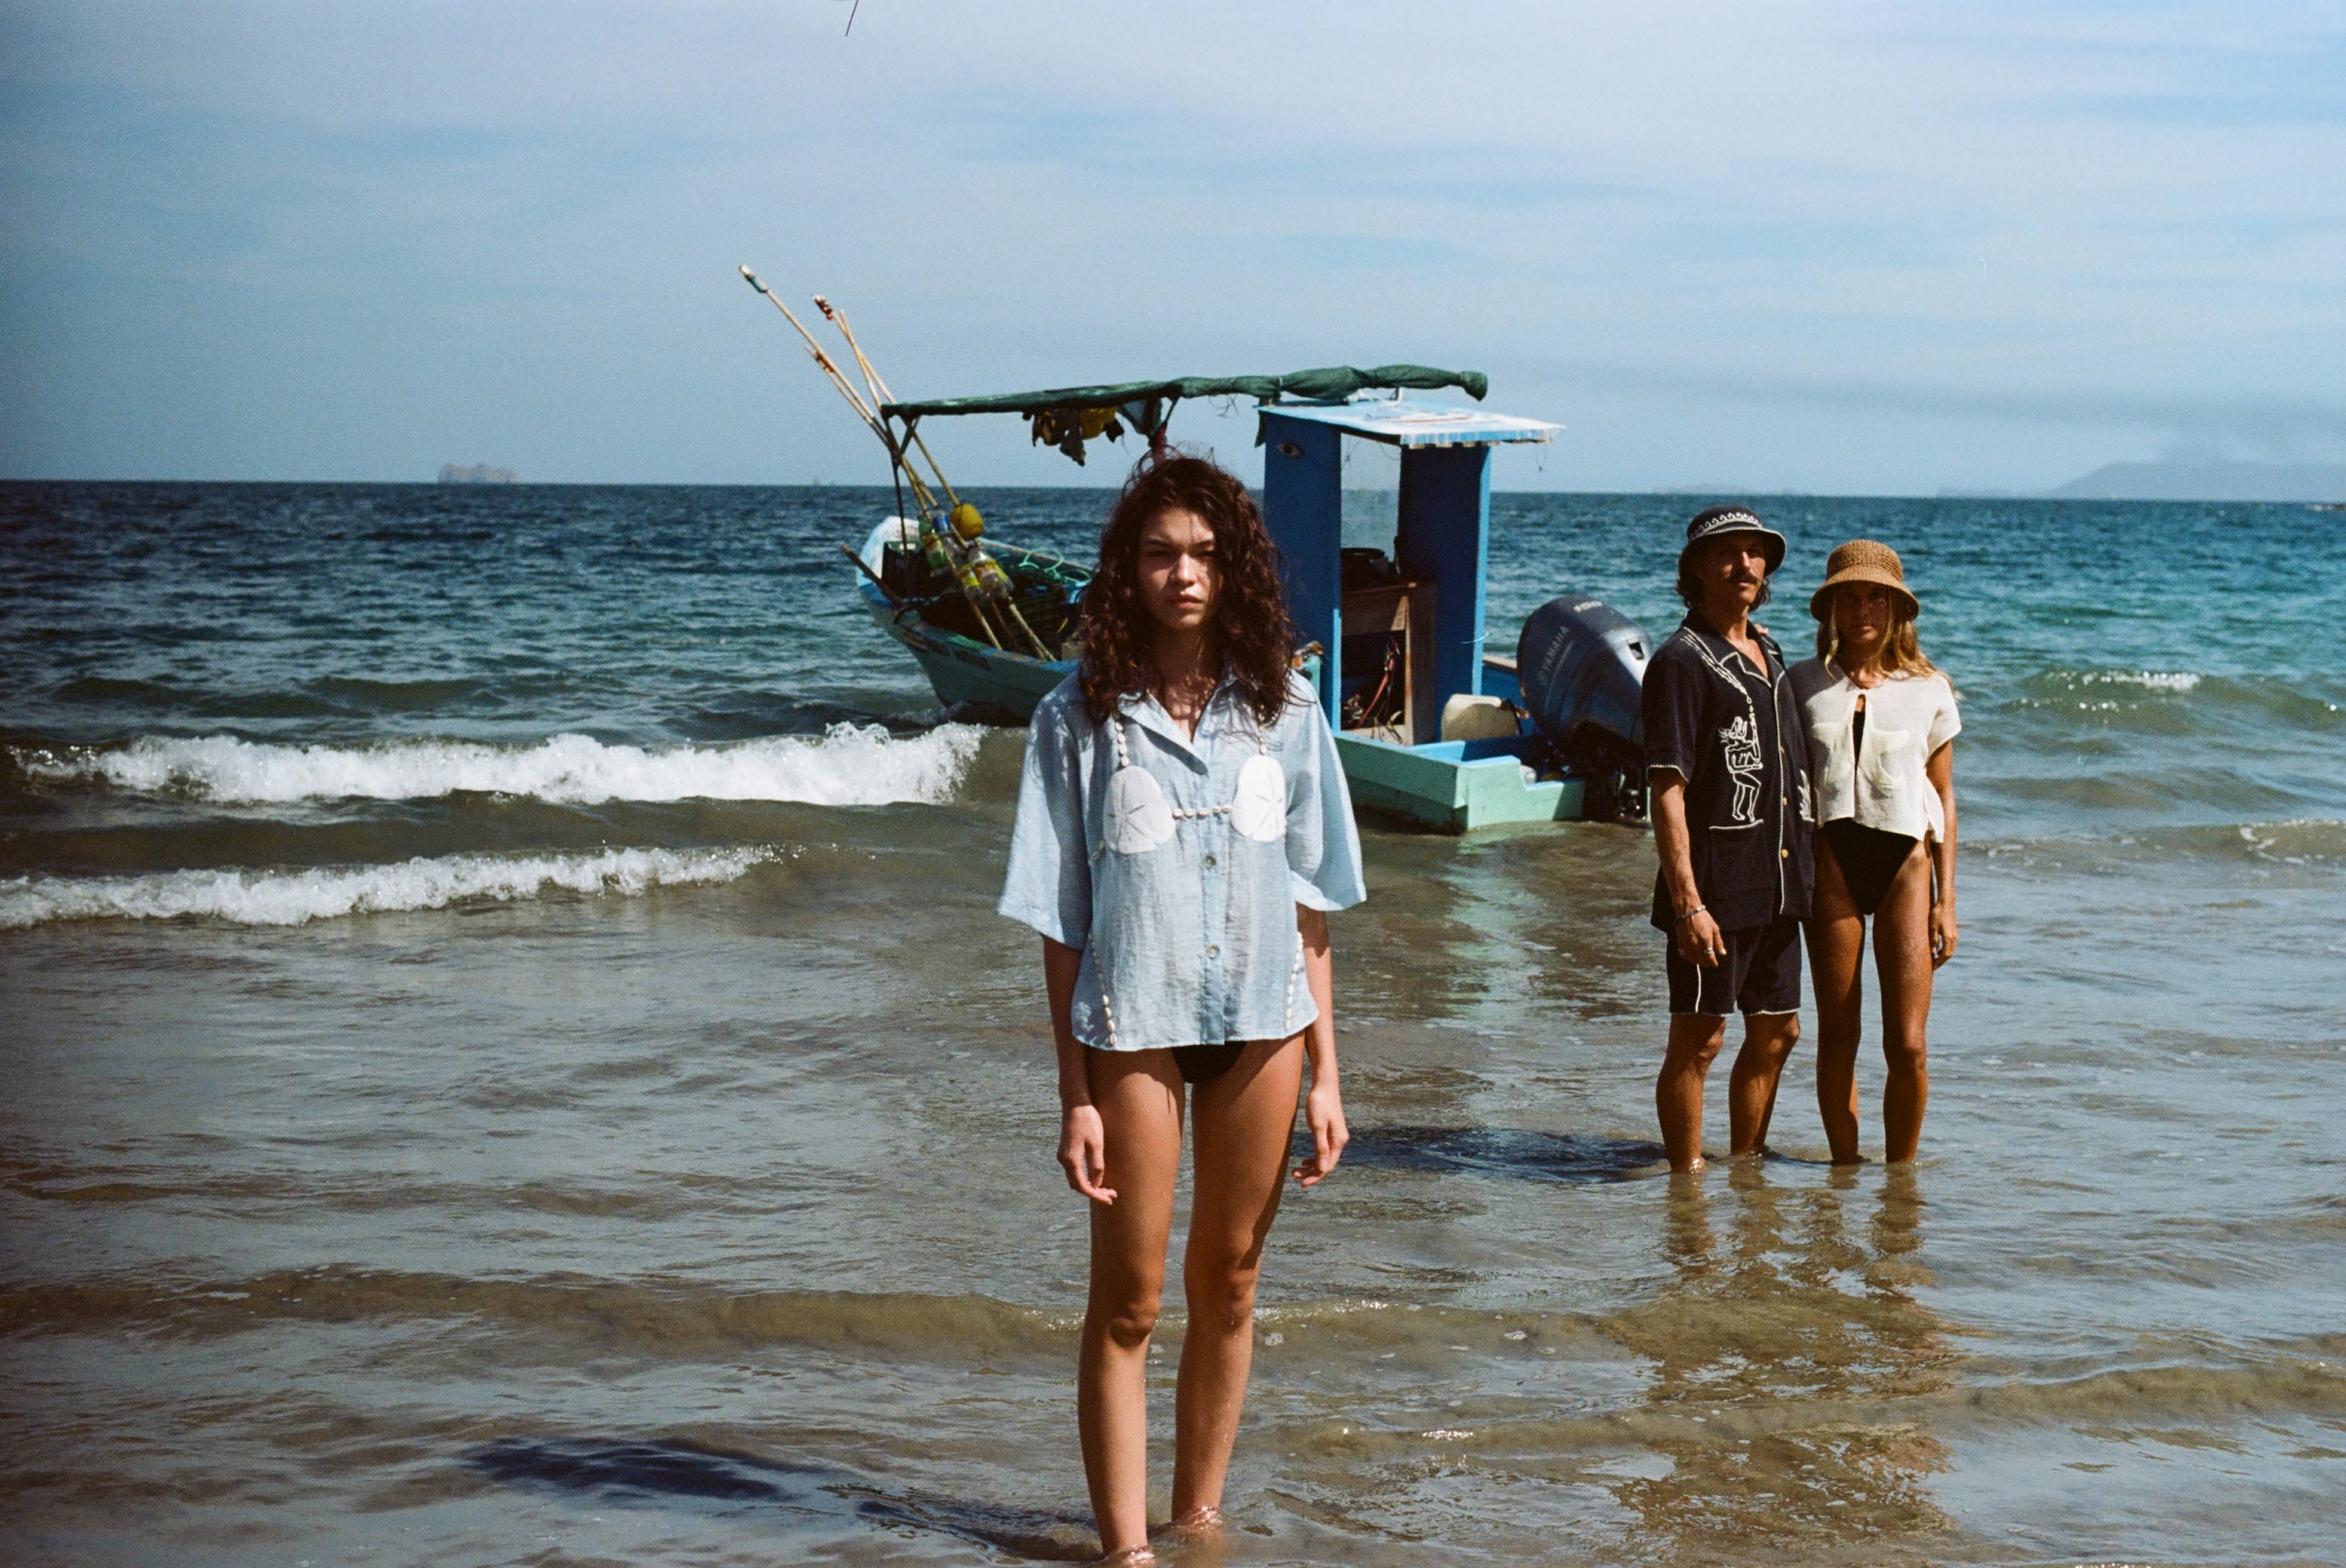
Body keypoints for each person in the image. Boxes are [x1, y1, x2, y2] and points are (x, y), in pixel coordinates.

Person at [998, 452, 1364, 1563]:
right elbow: (1063, 922)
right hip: (1135, 1028)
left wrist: (1330, 1078)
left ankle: (1198, 1519)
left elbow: (1310, 908)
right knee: (1131, 1300)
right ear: (1128, 571)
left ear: (1235, 569)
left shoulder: (1286, 710)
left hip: (1267, 1026)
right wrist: (1074, 1095)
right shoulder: (1076, 719)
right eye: (1160, 554)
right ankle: (1128, 1551)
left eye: (1205, 555)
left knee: (1233, 1281)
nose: (1183, 575)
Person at [1641, 506, 1816, 1173]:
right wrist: (1687, 901)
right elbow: (1667, 787)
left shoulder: (1768, 654)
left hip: (1777, 888)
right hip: (1713, 890)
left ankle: (1746, 1167)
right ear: (1695, 571)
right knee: (1700, 1039)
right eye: (1725, 554)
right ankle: (1685, 1183)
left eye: (1754, 552)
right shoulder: (1681, 662)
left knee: (1778, 1031)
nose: (1743, 564)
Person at [1790, 540, 1959, 1164]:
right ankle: (1844, 1172)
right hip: (1831, 867)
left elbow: (1943, 797)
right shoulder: (1801, 683)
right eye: (1850, 598)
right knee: (1838, 1035)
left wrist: (1948, 902)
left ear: (1896, 610)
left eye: (1876, 598)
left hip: (1906, 869)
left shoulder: (1929, 689)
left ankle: (1900, 1182)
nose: (1863, 610)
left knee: (1909, 1046)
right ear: (1830, 608)